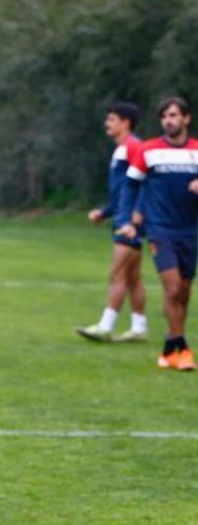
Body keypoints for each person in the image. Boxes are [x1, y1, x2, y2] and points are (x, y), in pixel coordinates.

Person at [117, 96, 198, 370]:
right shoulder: (149, 150)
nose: (168, 120)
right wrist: (128, 219)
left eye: (174, 115)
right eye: (164, 116)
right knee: (173, 287)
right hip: (160, 229)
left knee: (183, 293)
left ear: (186, 119)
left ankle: (168, 348)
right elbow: (130, 186)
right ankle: (183, 348)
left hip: (191, 230)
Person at [76, 102, 147, 343]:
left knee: (117, 273)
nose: (107, 124)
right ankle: (139, 328)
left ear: (126, 122)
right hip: (122, 217)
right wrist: (105, 212)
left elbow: (145, 183)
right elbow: (121, 193)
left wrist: (136, 214)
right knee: (133, 276)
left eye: (113, 119)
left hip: (128, 222)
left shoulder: (134, 147)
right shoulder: (122, 149)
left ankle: (106, 326)